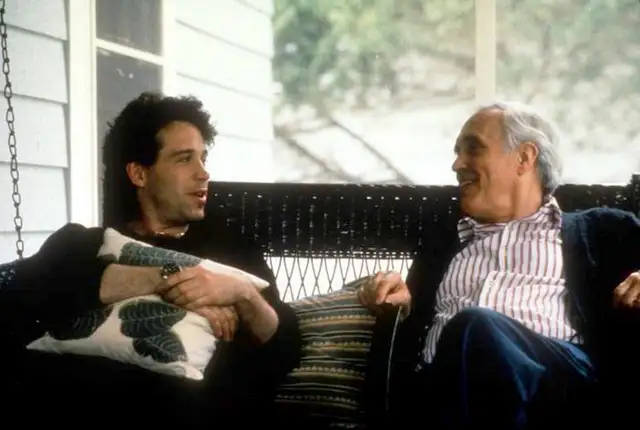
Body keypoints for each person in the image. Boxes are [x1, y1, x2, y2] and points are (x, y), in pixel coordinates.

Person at [2, 92, 301, 425]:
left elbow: (284, 348)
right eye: (184, 159)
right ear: (139, 174)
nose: (203, 173)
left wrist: (242, 293)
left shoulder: (231, 250)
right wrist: (170, 282)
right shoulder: (85, 246)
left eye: (203, 158)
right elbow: (25, 297)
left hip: (191, 416)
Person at [357, 101, 640, 429]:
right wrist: (402, 302)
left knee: (476, 326)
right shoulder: (442, 243)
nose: (457, 164)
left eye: (473, 148)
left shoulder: (602, 230)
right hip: (444, 391)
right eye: (457, 152)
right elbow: (412, 327)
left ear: (524, 157)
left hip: (560, 389)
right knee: (469, 337)